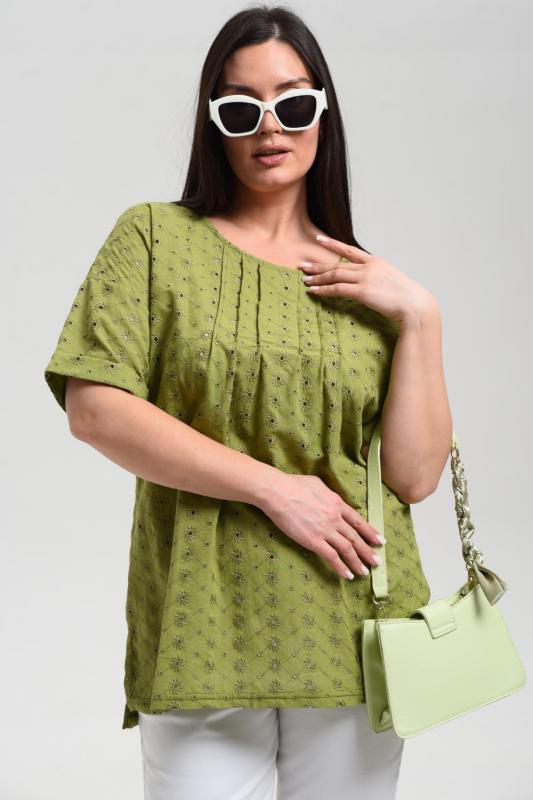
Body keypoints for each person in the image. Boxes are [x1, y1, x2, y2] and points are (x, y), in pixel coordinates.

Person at [43, 5, 453, 799]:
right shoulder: (153, 238)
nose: (269, 127)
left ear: (322, 113)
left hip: (355, 626)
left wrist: (421, 315)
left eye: (292, 104)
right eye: (241, 108)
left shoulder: (368, 284)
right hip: (202, 624)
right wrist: (275, 489)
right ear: (214, 123)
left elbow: (412, 477)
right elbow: (95, 408)